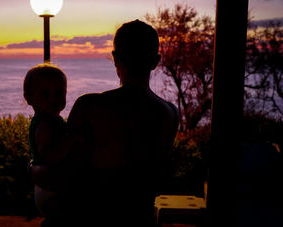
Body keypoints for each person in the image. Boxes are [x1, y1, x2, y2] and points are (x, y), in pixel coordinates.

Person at [55, 19, 179, 227]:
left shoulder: (89, 106)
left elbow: (67, 174)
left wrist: (33, 169)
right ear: (155, 61)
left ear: (115, 58)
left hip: (92, 218)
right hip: (141, 219)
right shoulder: (170, 113)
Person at [23, 63, 78, 224]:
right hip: (50, 190)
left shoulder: (51, 120)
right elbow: (49, 155)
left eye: (59, 93)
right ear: (28, 97)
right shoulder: (44, 125)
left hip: (49, 185)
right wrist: (72, 140)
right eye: (45, 93)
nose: (53, 98)